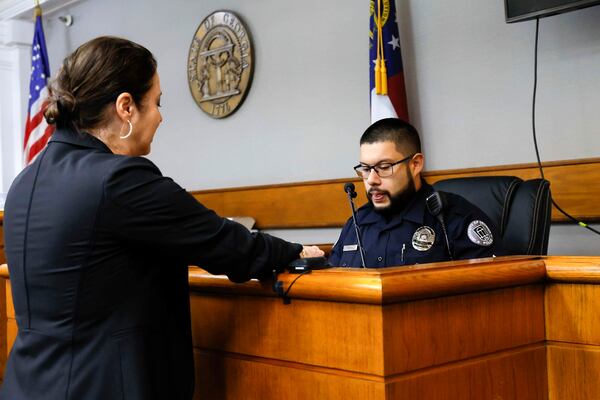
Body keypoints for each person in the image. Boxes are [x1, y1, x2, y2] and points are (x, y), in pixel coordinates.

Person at [1, 36, 323, 400]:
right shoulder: (118, 179)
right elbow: (224, 244)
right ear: (126, 106)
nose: (160, 116)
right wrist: (297, 251)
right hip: (102, 387)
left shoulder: (23, 182)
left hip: (26, 385)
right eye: (156, 102)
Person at [329, 118, 503, 268]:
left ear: (415, 165)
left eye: (384, 167)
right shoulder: (357, 223)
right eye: (366, 169)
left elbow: (491, 290)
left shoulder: (454, 219)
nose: (372, 179)